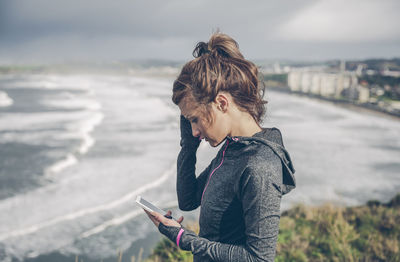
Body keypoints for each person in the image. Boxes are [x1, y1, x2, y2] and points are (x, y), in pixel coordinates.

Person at [143, 32, 296, 262]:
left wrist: (183, 238)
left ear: (221, 103)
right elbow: (188, 200)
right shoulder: (233, 150)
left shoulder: (258, 166)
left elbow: (259, 258)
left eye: (194, 119)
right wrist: (188, 144)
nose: (194, 130)